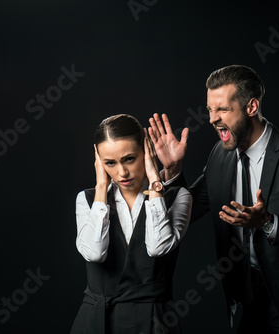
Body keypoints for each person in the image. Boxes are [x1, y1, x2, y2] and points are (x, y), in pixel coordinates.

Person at [147, 65, 279, 333]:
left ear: (251, 107)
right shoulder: (219, 155)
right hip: (249, 303)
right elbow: (189, 209)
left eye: (222, 109)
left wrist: (268, 222)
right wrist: (172, 171)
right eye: (210, 109)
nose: (212, 118)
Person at [70, 114, 192, 334]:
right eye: (110, 163)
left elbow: (158, 247)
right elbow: (95, 253)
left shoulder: (178, 196)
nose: (122, 172)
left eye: (129, 159)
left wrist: (155, 180)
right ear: (99, 162)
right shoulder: (86, 200)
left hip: (154, 321)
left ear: (146, 153)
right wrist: (100, 187)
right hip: (96, 322)